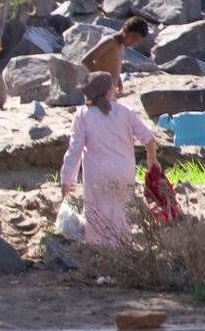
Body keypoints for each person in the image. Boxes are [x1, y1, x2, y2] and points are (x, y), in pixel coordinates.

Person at [61, 71, 159, 246]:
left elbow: (74, 150)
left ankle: (99, 248)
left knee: (97, 214)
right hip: (124, 172)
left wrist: (67, 179)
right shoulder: (125, 112)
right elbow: (149, 138)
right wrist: (152, 159)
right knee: (121, 212)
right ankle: (122, 248)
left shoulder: (83, 115)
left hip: (97, 175)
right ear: (109, 92)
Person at [82, 16, 149, 91]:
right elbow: (86, 59)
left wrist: (118, 80)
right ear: (125, 29)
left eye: (137, 41)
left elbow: (112, 65)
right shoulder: (110, 41)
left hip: (108, 92)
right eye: (134, 37)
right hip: (98, 92)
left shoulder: (121, 46)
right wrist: (100, 79)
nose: (134, 42)